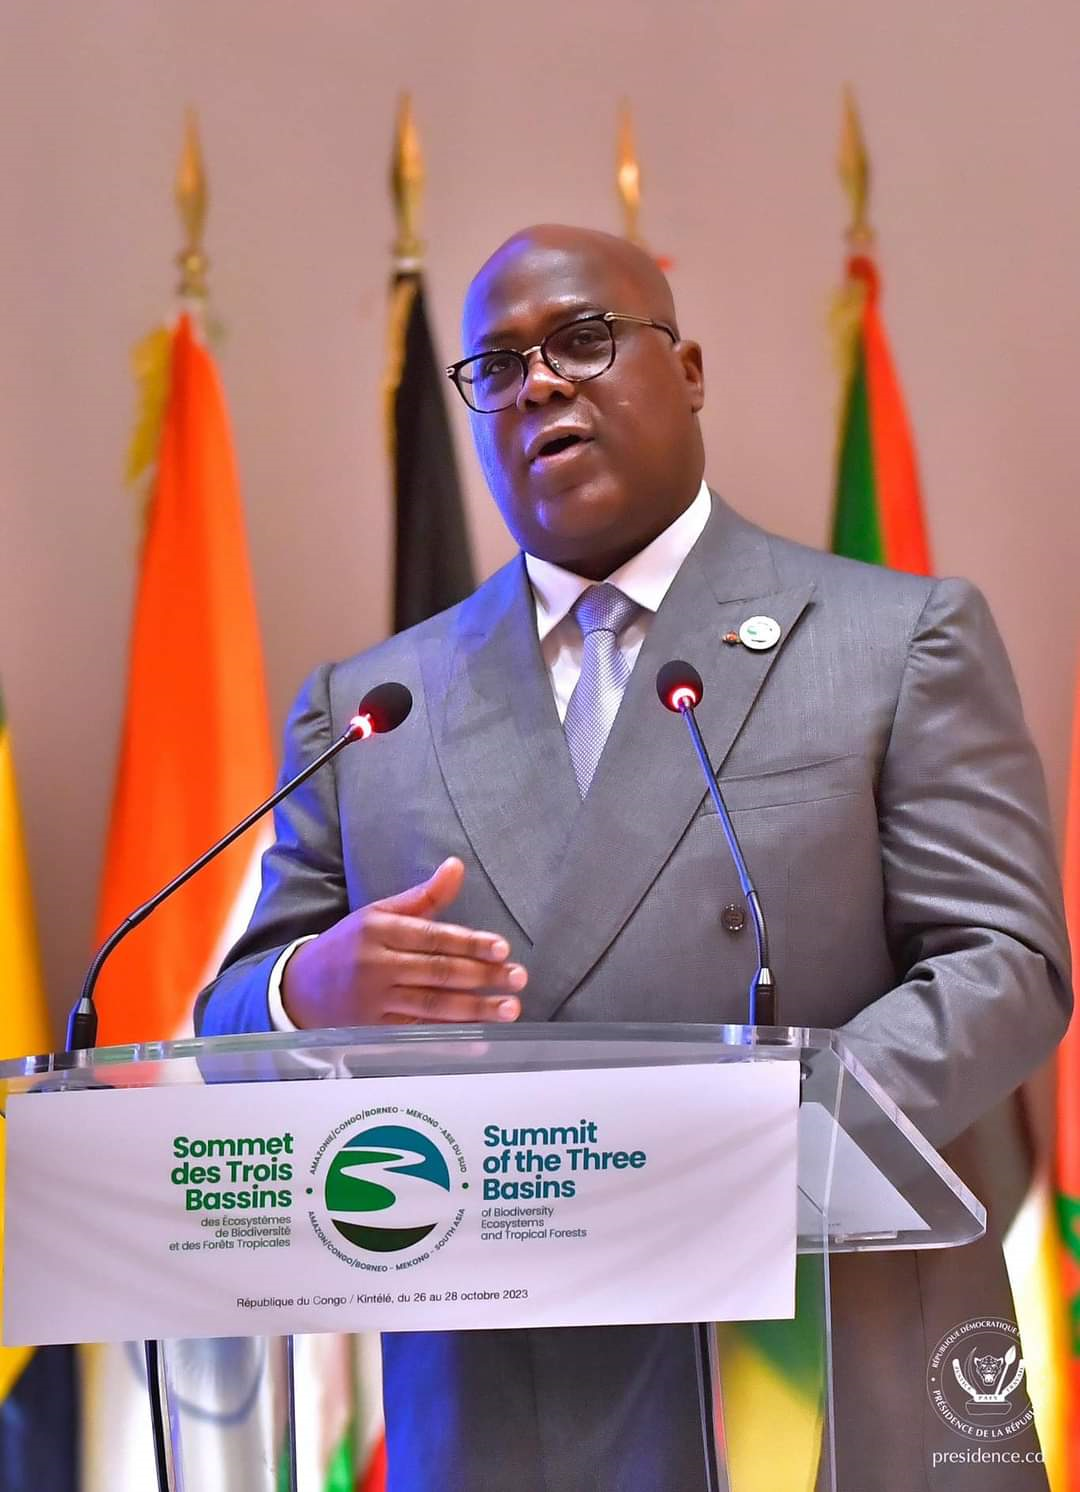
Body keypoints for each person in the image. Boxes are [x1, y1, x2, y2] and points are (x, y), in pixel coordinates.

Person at [197, 225, 1071, 1491]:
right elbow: (227, 1020)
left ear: (691, 370)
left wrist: (755, 1146)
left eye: (584, 339)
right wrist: (306, 992)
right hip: (507, 1405)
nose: (540, 384)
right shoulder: (373, 709)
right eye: (499, 366)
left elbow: (1005, 965)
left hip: (822, 1360)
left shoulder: (895, 641)